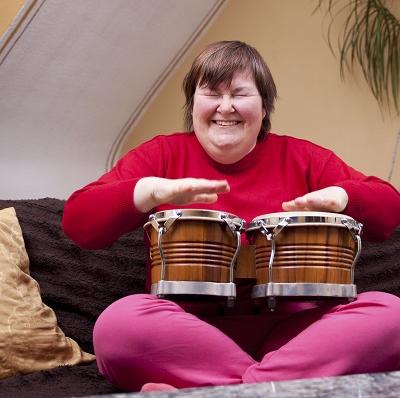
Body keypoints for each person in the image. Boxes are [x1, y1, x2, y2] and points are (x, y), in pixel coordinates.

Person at [62, 40, 400, 393]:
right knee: (118, 326)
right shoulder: (160, 154)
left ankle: (217, 390)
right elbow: (78, 223)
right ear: (193, 104)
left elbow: (389, 210)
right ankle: (282, 387)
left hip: (295, 335)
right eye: (211, 93)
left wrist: (343, 196)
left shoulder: (304, 157)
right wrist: (146, 191)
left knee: (392, 315)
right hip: (186, 337)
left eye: (240, 93)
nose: (226, 107)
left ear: (264, 106)